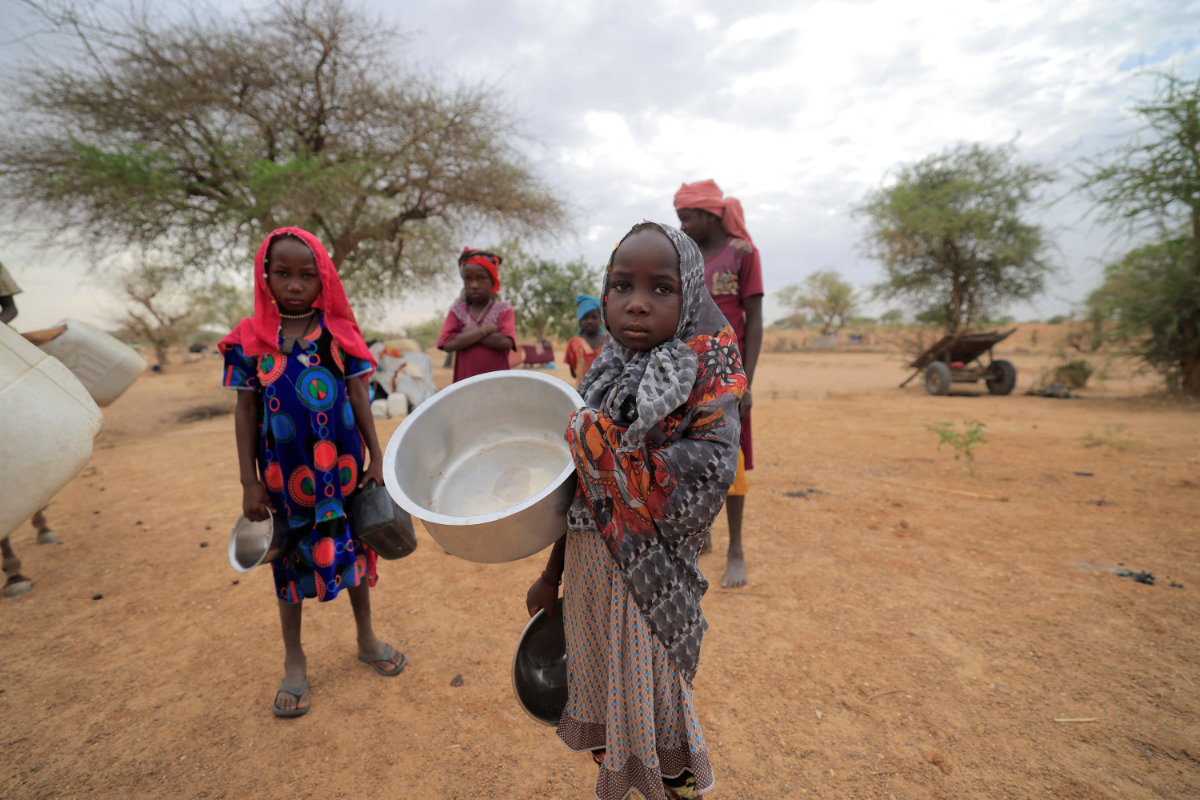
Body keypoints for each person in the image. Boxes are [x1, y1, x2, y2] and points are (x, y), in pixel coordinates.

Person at [527, 222, 746, 800]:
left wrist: (599, 446)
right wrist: (552, 575)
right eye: (622, 286)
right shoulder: (599, 375)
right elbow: (579, 488)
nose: (638, 303)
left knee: (655, 711)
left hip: (650, 590)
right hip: (591, 578)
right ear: (604, 296)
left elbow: (696, 486)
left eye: (661, 289)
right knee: (607, 704)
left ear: (691, 296)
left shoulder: (707, 381)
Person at [219, 227, 405, 718]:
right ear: (266, 277)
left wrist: (377, 458)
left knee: (357, 551)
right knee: (287, 563)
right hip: (284, 481)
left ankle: (366, 638)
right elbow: (244, 411)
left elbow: (361, 395)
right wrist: (249, 481)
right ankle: (295, 660)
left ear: (323, 277)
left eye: (307, 274)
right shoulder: (251, 341)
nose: (295, 284)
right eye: (283, 273)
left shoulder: (339, 333)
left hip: (341, 474)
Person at [674, 180, 763, 589]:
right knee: (692, 452)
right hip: (690, 372)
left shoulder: (743, 253)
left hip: (731, 374)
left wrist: (747, 384)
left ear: (709, 215)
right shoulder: (686, 257)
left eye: (687, 217)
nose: (682, 224)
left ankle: (736, 550)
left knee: (733, 461)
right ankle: (701, 534)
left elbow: (754, 320)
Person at [437, 248, 516, 382]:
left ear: (492, 281)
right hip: (465, 386)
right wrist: (486, 330)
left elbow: (506, 342)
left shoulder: (503, 309)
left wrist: (465, 335)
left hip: (498, 386)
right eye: (468, 279)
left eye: (481, 278)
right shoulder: (458, 310)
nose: (474, 285)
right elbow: (447, 344)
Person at [562, 293, 605, 384]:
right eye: (585, 317)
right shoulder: (573, 343)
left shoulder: (609, 341)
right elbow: (574, 373)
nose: (590, 321)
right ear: (579, 319)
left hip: (606, 395)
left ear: (601, 319)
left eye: (594, 317)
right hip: (582, 395)